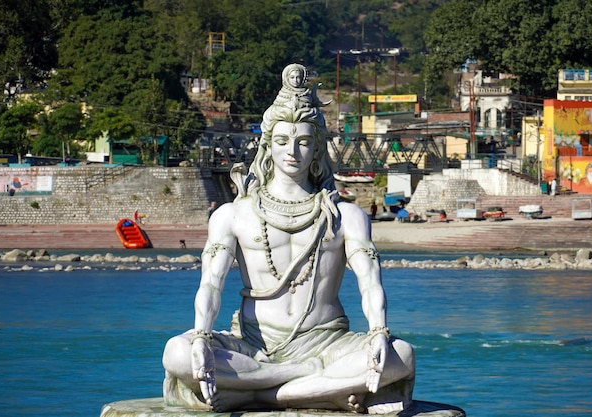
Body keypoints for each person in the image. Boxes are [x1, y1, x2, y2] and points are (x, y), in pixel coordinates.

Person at [162, 64, 415, 414]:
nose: (291, 151)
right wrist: (202, 336)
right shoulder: (233, 215)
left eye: (303, 141)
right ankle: (311, 385)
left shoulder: (348, 217)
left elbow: (370, 284)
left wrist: (377, 332)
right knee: (176, 352)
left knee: (401, 355)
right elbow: (212, 283)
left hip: (327, 344)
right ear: (268, 146)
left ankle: (265, 394)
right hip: (252, 345)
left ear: (317, 149)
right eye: (281, 141)